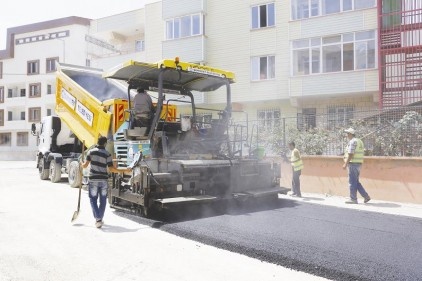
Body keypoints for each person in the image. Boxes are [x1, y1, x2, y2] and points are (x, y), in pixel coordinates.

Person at [81, 136, 131, 228]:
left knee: (93, 199)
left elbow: (85, 166)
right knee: (103, 200)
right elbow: (112, 169)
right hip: (103, 180)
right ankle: (99, 218)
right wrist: (124, 170)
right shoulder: (107, 154)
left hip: (93, 180)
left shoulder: (91, 152)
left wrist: (81, 163)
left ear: (97, 142)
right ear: (105, 143)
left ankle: (98, 219)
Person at [343, 128, 371, 204]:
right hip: (358, 163)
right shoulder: (359, 141)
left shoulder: (353, 141)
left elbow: (351, 153)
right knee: (355, 182)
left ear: (350, 134)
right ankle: (366, 196)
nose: (346, 135)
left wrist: (345, 163)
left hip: (353, 163)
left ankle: (353, 199)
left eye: (347, 133)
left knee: (352, 182)